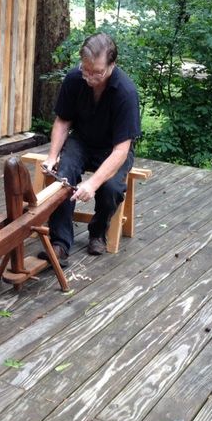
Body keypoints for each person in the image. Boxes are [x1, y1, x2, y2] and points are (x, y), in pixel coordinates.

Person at [39, 32, 141, 267]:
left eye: (97, 72)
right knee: (63, 177)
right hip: (82, 141)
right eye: (86, 70)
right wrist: (52, 156)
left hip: (113, 148)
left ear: (112, 65)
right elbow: (63, 121)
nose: (90, 77)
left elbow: (121, 151)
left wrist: (92, 184)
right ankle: (60, 244)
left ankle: (97, 232)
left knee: (111, 188)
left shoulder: (126, 93)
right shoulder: (75, 79)